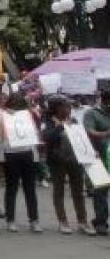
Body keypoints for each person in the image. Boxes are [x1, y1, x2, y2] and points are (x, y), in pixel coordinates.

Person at [45, 95, 96, 235]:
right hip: (57, 162)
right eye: (65, 106)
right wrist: (59, 127)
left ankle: (82, 222)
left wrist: (90, 151)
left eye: (69, 106)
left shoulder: (73, 121)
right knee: (59, 191)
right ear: (56, 108)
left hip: (75, 160)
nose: (69, 109)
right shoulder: (49, 122)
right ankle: (63, 222)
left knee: (78, 191)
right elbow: (47, 138)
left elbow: (82, 138)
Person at [0, 93, 41, 233]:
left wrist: (35, 156)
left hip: (28, 152)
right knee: (12, 188)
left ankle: (34, 220)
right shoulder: (1, 114)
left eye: (20, 103)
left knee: (30, 189)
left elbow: (35, 132)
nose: (17, 105)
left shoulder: (28, 115)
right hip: (10, 154)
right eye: (14, 103)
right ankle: (10, 220)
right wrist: (0, 158)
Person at [84, 90, 110, 235]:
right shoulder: (92, 113)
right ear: (105, 102)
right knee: (101, 191)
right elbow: (89, 131)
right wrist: (106, 133)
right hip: (99, 157)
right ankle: (100, 221)